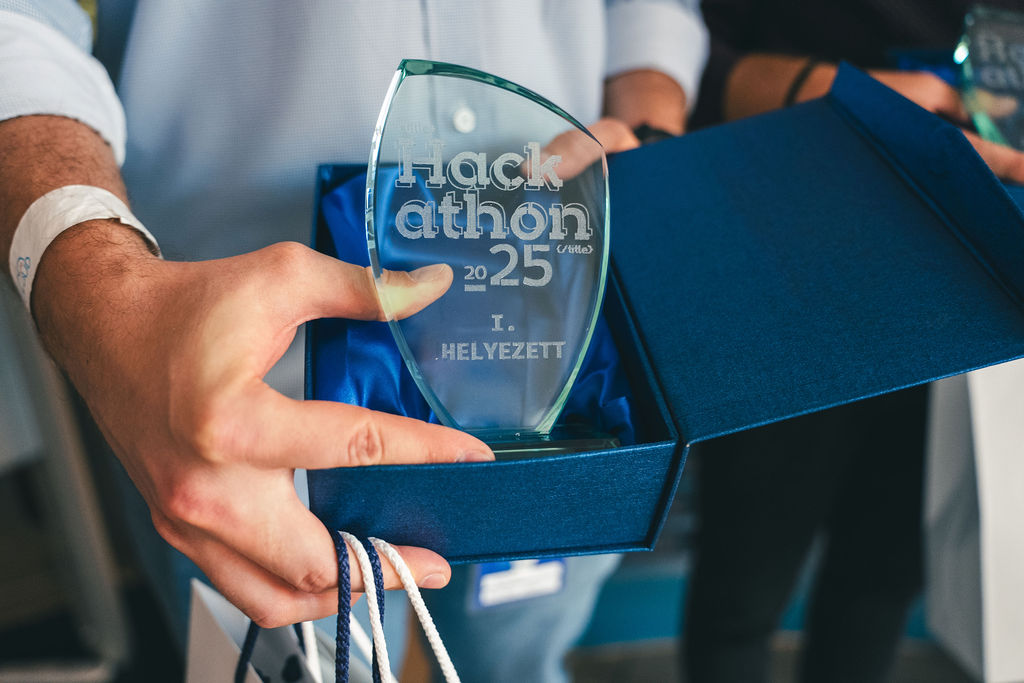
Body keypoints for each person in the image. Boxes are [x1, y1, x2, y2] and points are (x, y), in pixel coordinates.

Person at [0, 1, 708, 679]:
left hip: (569, 356)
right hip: (239, 399)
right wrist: (103, 294)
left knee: (520, 656)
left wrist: (646, 126)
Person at [682, 1, 1024, 682]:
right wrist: (842, 94)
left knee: (882, 582)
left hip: (974, 290)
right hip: (789, 264)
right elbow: (678, 60)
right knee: (743, 584)